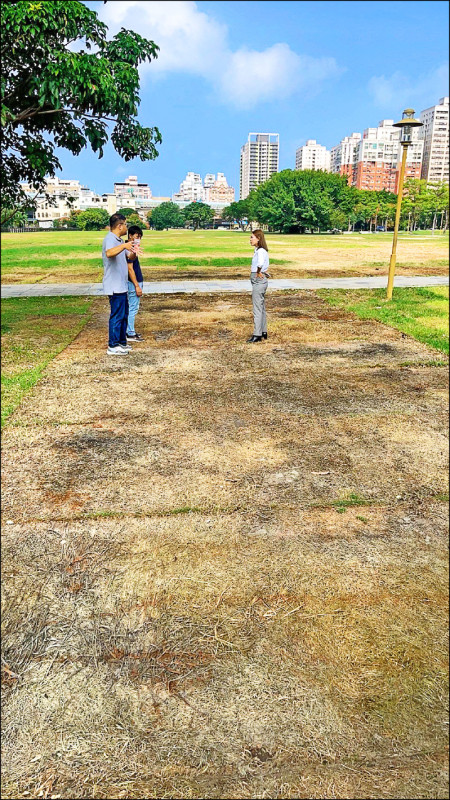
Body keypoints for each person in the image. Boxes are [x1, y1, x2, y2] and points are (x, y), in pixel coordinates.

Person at [102, 213, 135, 356]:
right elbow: (109, 253)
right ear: (120, 226)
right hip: (114, 285)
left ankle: (121, 342)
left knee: (124, 315)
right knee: (116, 315)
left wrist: (134, 251)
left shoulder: (119, 240)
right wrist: (124, 245)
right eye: (125, 224)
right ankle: (112, 345)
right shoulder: (110, 239)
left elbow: (129, 257)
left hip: (122, 285)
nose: (126, 227)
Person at [247, 229, 270, 343]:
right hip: (260, 280)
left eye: (252, 237)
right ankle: (263, 331)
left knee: (257, 308)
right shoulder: (261, 250)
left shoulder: (260, 251)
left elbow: (260, 263)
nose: (250, 240)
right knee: (261, 307)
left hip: (258, 281)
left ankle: (257, 334)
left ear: (258, 238)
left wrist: (258, 271)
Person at [126, 225, 145, 342]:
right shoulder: (129, 248)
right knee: (133, 308)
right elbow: (130, 268)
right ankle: (130, 333)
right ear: (130, 236)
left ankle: (130, 331)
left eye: (140, 237)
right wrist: (137, 285)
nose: (138, 239)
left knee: (131, 307)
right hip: (133, 282)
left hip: (134, 282)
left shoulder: (132, 247)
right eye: (137, 237)